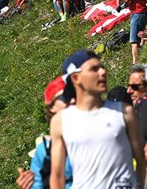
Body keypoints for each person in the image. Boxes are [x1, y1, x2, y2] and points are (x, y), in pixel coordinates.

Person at [50, 50, 145, 188]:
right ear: (76, 78)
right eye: (94, 69)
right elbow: (57, 176)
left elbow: (141, 159)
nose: (103, 72)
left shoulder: (125, 111)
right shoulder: (61, 121)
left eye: (102, 67)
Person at [107, 0, 147, 64]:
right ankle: (142, 58)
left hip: (138, 12)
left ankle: (136, 64)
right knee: (141, 36)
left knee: (133, 40)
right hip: (140, 11)